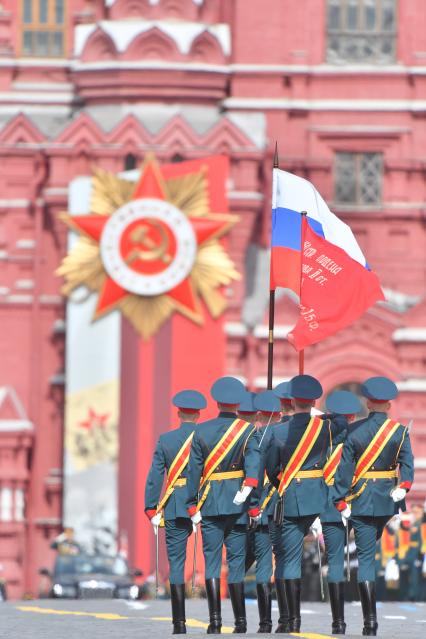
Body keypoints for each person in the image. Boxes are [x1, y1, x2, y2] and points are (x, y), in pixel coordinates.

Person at [331, 376, 414, 636]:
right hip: (388, 500)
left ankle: (370, 622)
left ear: (367, 403)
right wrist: (404, 486)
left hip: (362, 499)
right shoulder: (399, 432)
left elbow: (344, 471)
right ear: (388, 405)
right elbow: (408, 465)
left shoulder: (354, 432)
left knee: (366, 559)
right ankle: (370, 620)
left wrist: (340, 500)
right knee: (370, 553)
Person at [264, 374, 345, 633]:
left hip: (290, 497)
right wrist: (324, 416)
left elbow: (271, 468)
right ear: (313, 402)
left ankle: (291, 620)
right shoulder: (325, 428)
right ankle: (337, 621)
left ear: (291, 401)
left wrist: (283, 486)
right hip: (320, 498)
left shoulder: (277, 431)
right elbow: (343, 422)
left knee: (289, 561)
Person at [186, 376, 260, 634]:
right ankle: (241, 622)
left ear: (217, 402)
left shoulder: (201, 431)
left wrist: (191, 504)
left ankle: (215, 621)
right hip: (238, 504)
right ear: (238, 403)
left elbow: (193, 472)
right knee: (238, 563)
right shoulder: (249, 431)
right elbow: (253, 468)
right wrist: (251, 500)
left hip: (210, 504)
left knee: (213, 562)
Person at [144, 389, 207, 635]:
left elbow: (155, 477)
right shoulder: (208, 437)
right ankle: (217, 620)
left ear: (179, 413)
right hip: (206, 503)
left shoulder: (166, 440)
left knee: (177, 564)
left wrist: (151, 508)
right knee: (213, 560)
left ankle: (178, 623)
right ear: (199, 414)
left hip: (175, 505)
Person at [319, 390, 362, 635]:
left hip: (331, 506)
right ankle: (369, 621)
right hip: (360, 503)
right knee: (366, 558)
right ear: (354, 416)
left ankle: (338, 622)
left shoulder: (321, 442)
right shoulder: (364, 438)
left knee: (335, 561)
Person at [245, 390, 281, 633]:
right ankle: (285, 620)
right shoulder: (286, 437)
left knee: (257, 567)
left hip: (255, 507)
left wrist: (254, 505)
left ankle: (260, 623)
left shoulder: (252, 439)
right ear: (279, 414)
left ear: (259, 415)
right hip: (280, 507)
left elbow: (253, 475)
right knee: (283, 563)